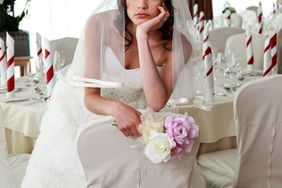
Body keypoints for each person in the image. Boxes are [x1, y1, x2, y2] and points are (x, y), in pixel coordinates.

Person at [22, 0, 205, 187]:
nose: (142, 4)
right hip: (81, 107)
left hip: (135, 109)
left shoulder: (179, 44)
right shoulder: (98, 24)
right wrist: (115, 107)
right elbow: (90, 97)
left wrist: (142, 35)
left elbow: (156, 102)